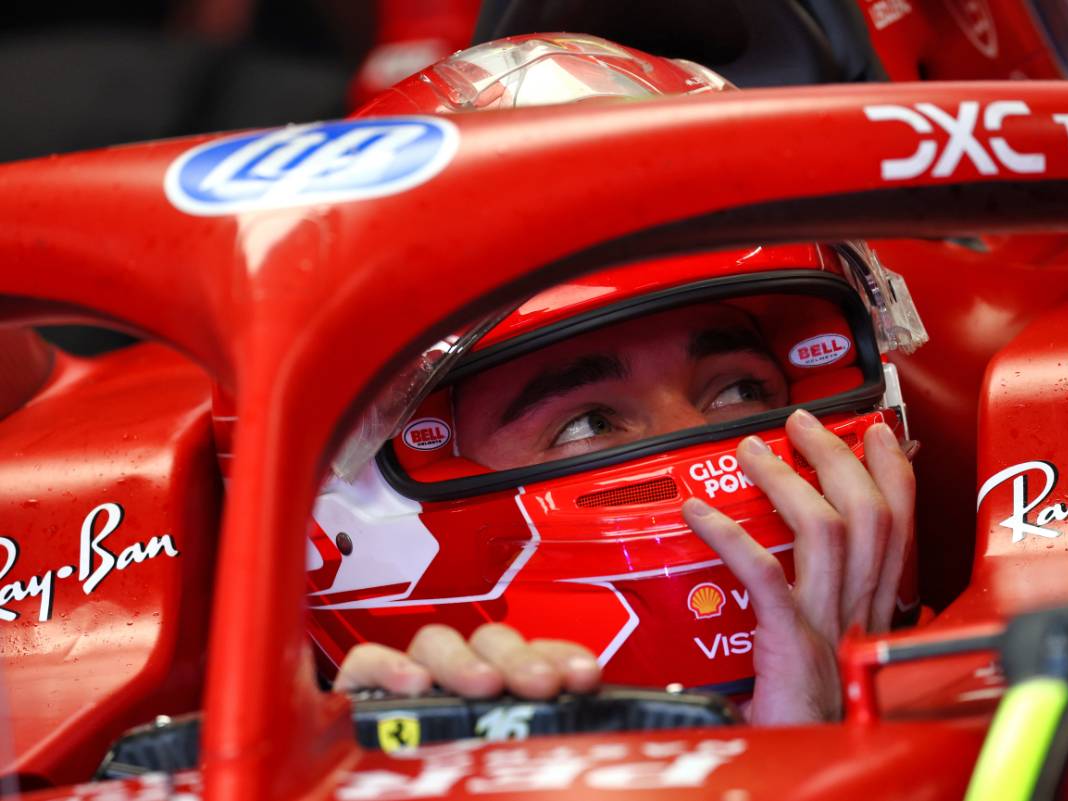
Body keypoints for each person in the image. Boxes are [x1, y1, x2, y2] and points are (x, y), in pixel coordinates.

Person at [307, 35, 925, 725]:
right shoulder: (337, 767)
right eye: (589, 425)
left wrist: (830, 748)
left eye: (737, 391)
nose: (704, 457)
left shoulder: (1023, 677)